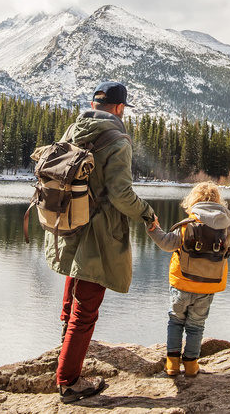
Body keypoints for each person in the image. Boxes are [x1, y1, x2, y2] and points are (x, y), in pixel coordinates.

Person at [47, 81, 158, 404]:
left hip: (70, 219)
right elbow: (121, 195)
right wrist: (148, 214)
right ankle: (69, 382)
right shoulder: (117, 140)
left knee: (75, 280)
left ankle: (66, 343)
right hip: (99, 229)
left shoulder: (73, 129)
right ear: (119, 108)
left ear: (94, 104)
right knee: (88, 307)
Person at [147, 182, 230, 378]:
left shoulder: (186, 226)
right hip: (206, 288)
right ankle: (192, 365)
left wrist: (153, 228)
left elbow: (166, 243)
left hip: (181, 284)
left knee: (176, 322)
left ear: (192, 201)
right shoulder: (225, 230)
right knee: (196, 325)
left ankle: (172, 363)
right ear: (218, 202)